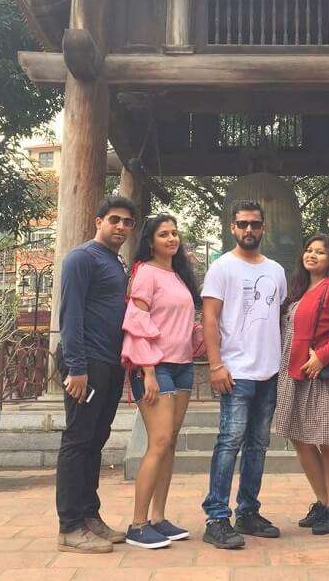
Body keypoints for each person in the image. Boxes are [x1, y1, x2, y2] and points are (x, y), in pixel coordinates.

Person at [201, 200, 288, 549]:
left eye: (254, 224)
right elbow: (209, 319)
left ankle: (248, 511)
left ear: (263, 228)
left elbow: (279, 318)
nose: (248, 230)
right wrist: (215, 364)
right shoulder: (221, 268)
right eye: (242, 224)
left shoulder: (277, 271)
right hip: (235, 372)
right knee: (229, 443)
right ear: (232, 228)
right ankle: (216, 517)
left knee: (259, 445)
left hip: (269, 371)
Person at [55, 195, 137, 554]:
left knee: (95, 440)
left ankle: (90, 516)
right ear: (98, 220)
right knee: (77, 441)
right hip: (85, 364)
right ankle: (70, 525)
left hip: (109, 364)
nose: (120, 227)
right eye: (114, 220)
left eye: (127, 222)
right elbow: (69, 315)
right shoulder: (81, 258)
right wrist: (76, 367)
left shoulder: (117, 263)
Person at [121, 214, 204, 549]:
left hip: (182, 366)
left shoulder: (179, 275)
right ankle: (137, 524)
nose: (171, 239)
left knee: (169, 442)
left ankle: (158, 517)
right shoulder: (145, 273)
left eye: (175, 233)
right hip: (155, 367)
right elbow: (137, 321)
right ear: (151, 240)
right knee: (158, 442)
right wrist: (149, 371)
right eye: (164, 234)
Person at [275, 233, 329, 536]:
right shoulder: (300, 288)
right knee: (301, 438)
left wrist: (322, 357)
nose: (312, 255)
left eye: (321, 252)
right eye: (309, 250)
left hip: (322, 375)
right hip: (295, 372)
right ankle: (322, 502)